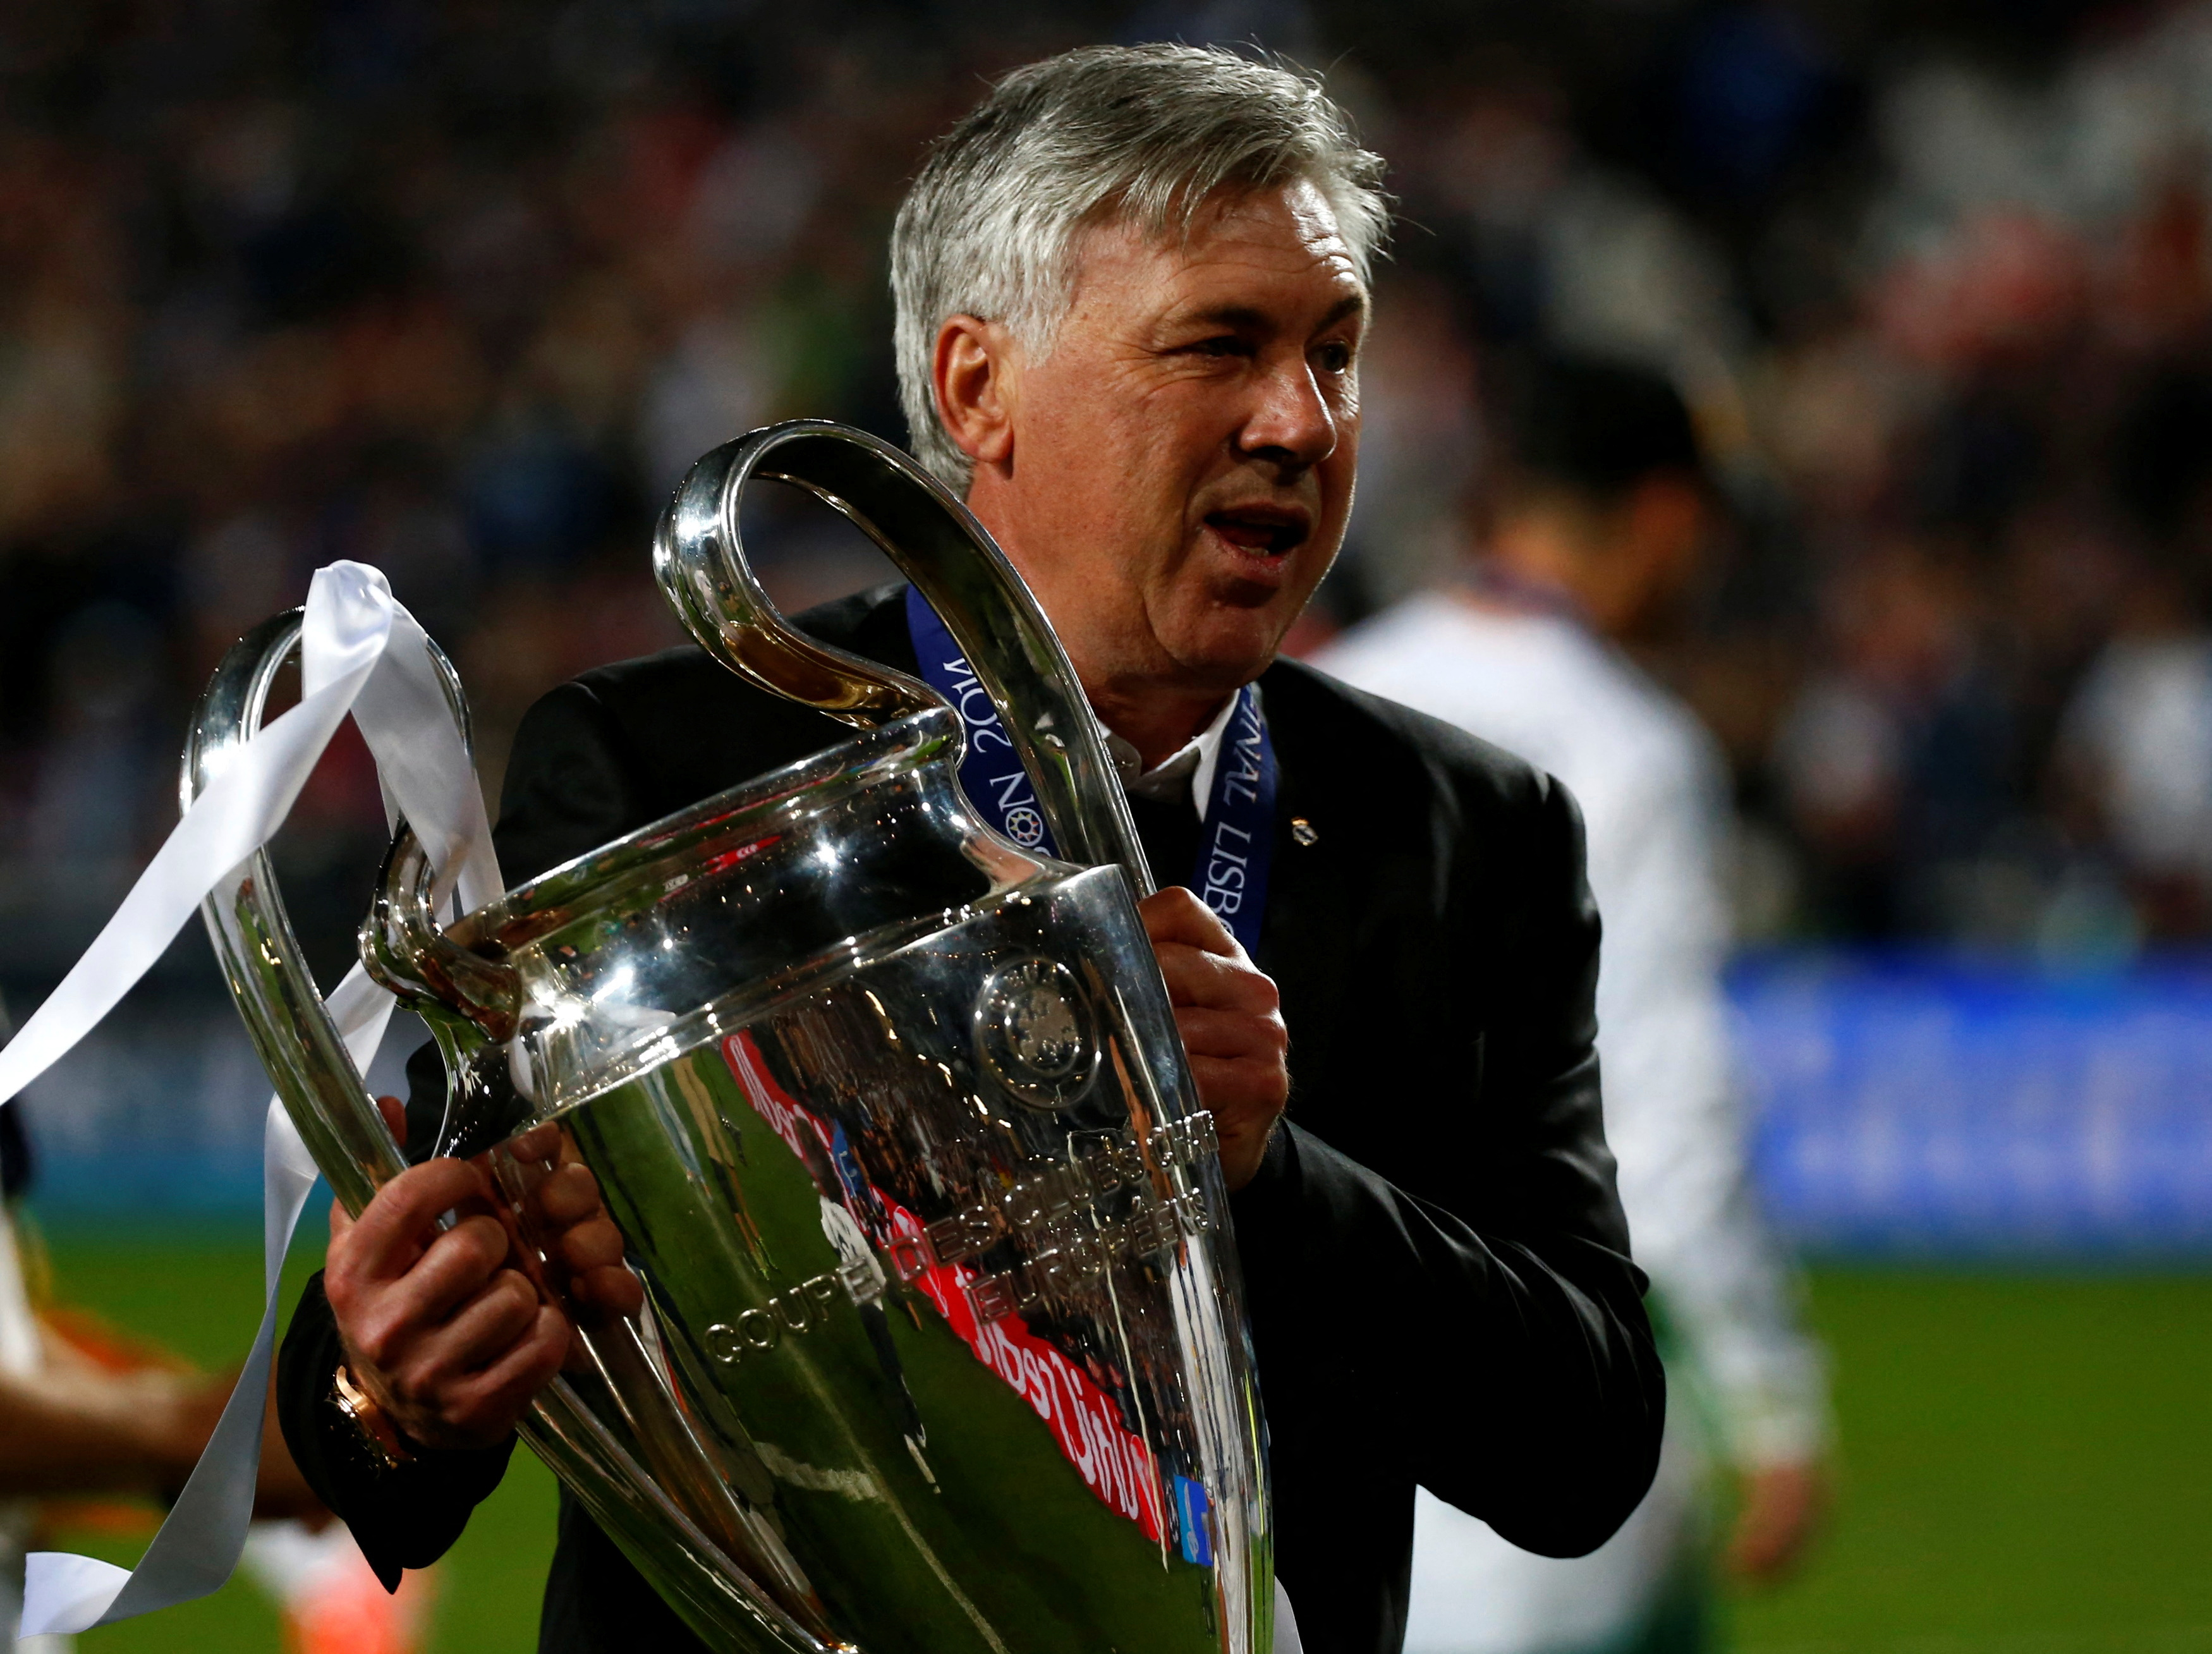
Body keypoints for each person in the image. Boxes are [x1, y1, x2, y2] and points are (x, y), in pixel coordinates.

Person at [275, 46, 1666, 1654]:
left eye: (1335, 354)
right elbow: (391, 1427)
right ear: (972, 387)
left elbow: (1585, 1450)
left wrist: (1264, 1178)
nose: (1300, 420)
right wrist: (392, 1394)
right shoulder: (669, 764)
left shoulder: (1466, 833)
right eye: (1219, 344)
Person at [1316, 355, 1830, 1653]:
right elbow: (1661, 1105)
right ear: (1666, 517)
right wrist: (1769, 1396)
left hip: (1311, 1383)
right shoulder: (1623, 744)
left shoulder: (1310, 698)